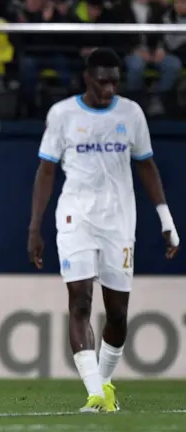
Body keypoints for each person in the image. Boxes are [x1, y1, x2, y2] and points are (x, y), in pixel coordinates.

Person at [27, 48, 180, 413]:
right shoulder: (63, 114)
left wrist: (166, 218)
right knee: (79, 302)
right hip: (75, 217)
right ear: (87, 79)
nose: (109, 88)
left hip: (119, 220)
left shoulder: (131, 113)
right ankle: (94, 393)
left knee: (118, 315)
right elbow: (46, 170)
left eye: (115, 81)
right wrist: (35, 226)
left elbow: (146, 166)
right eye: (102, 81)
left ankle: (106, 383)